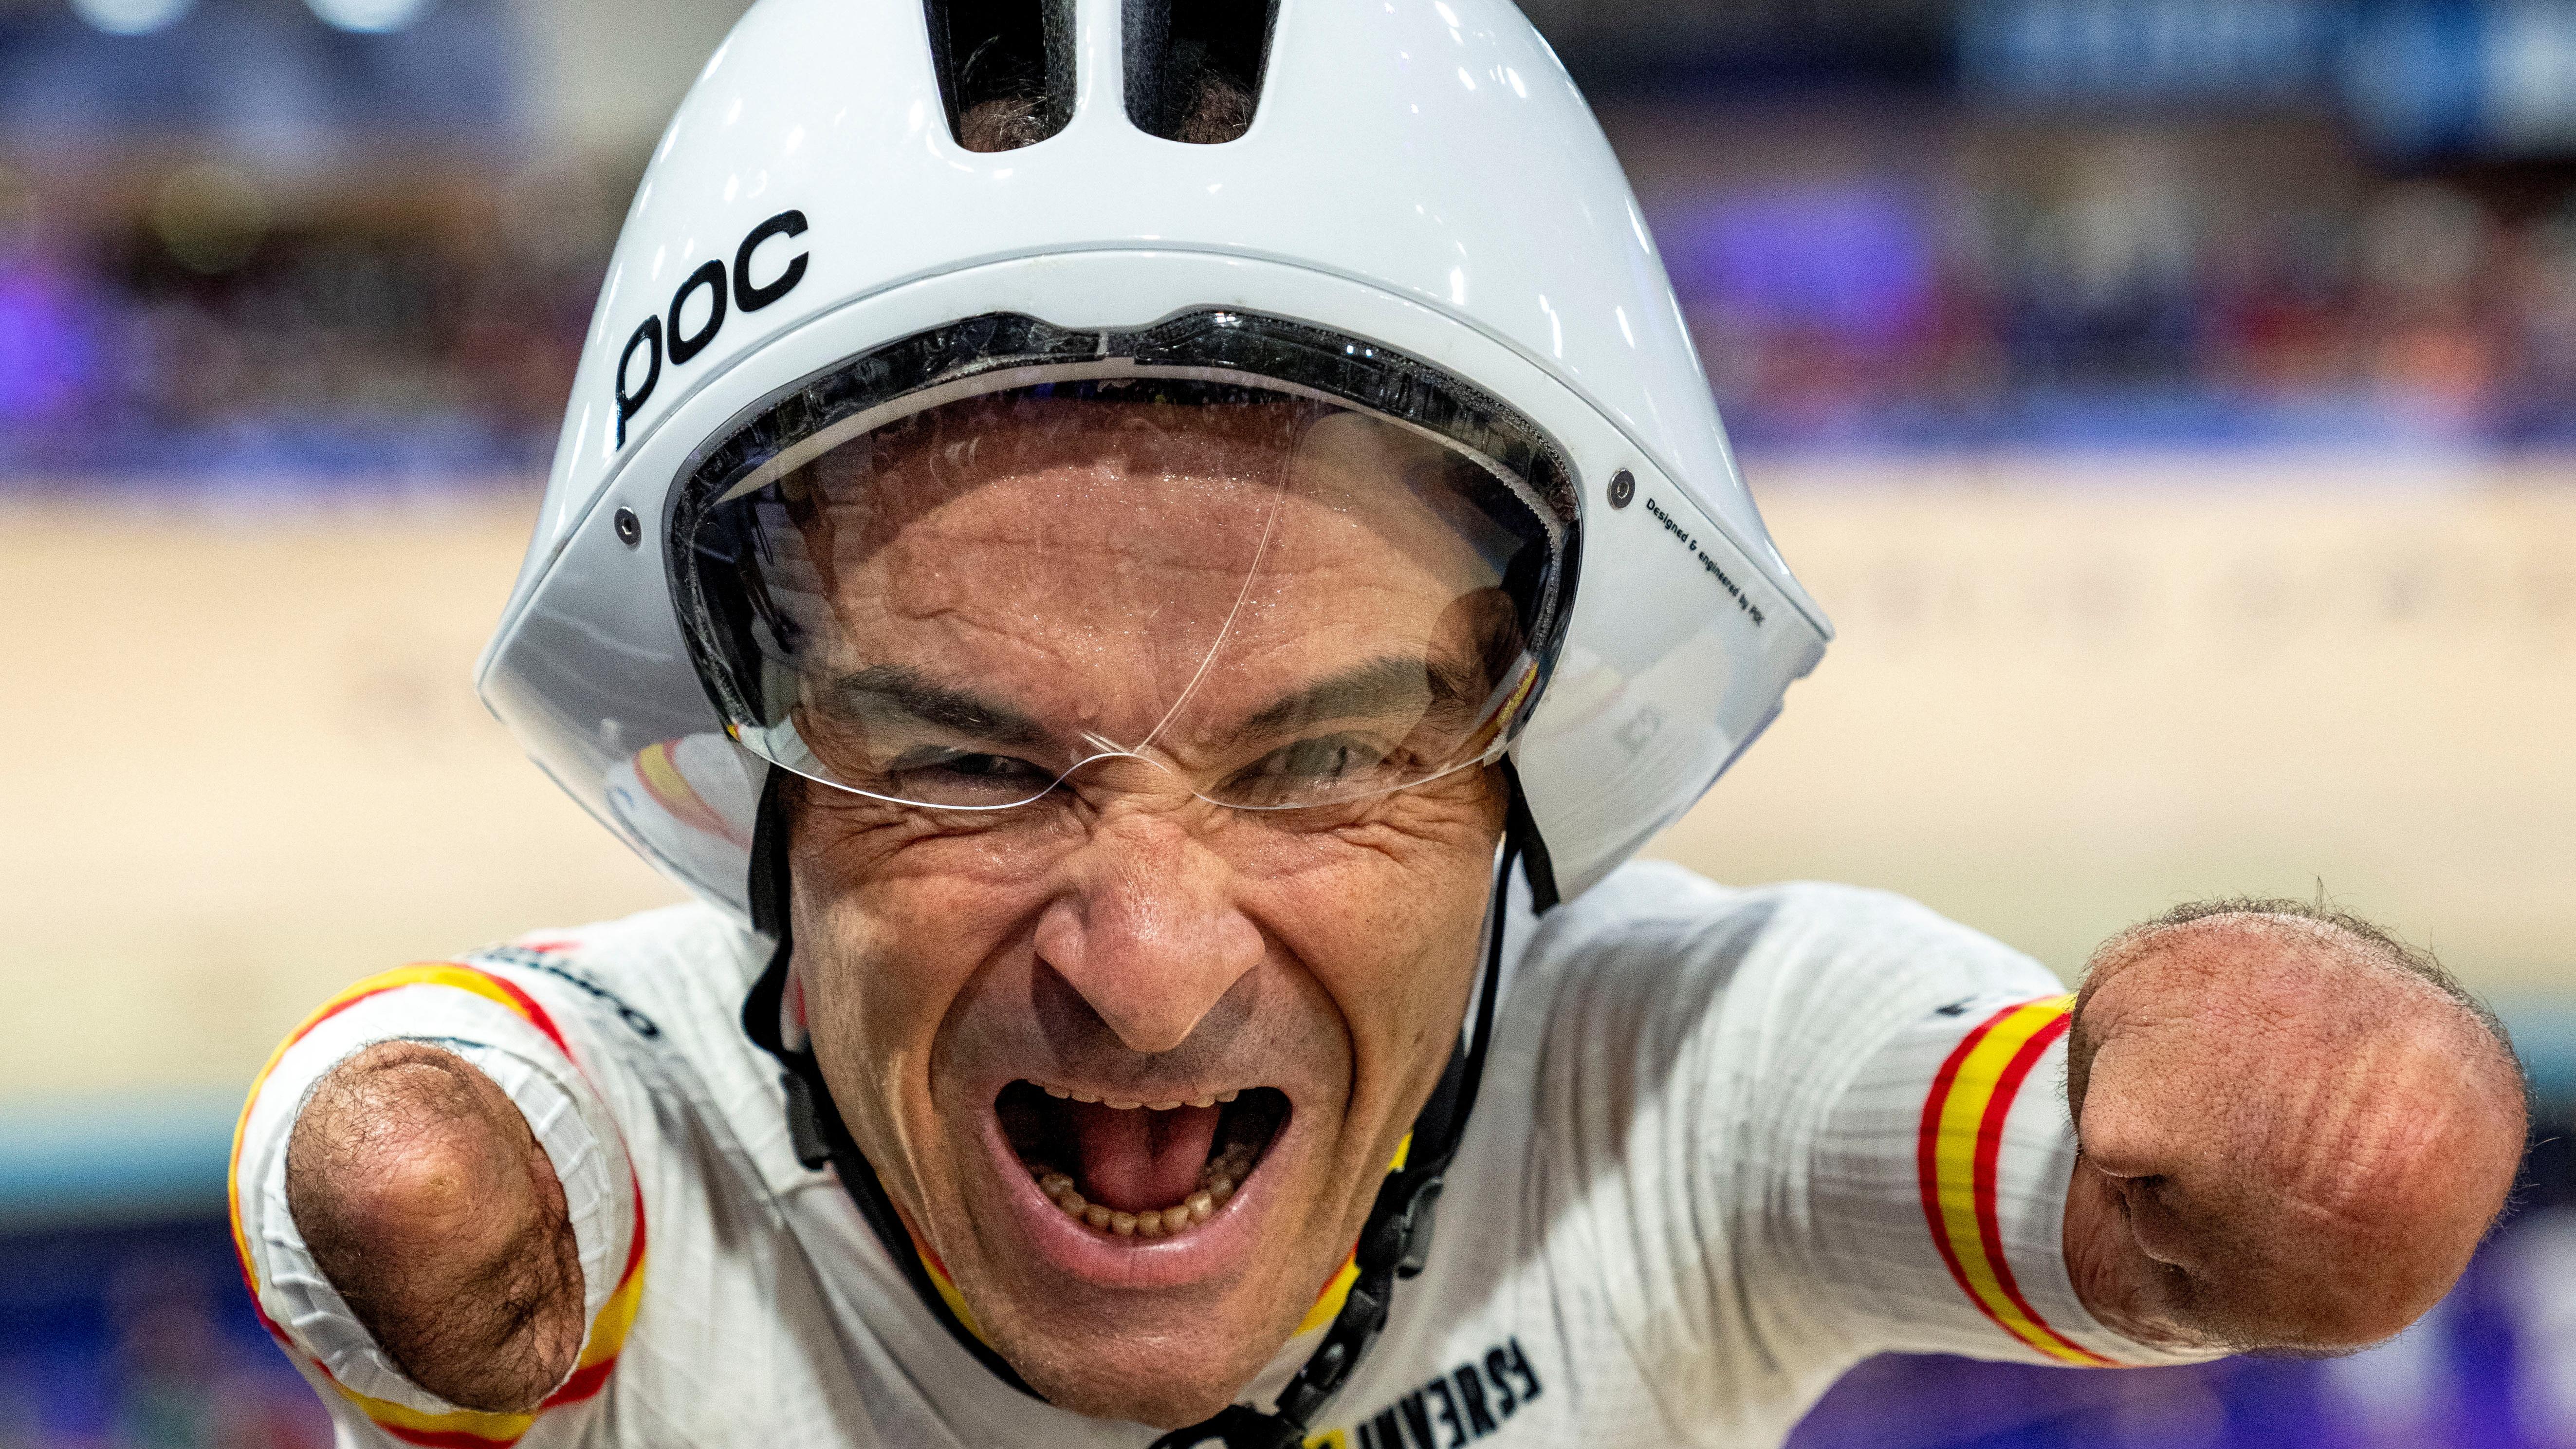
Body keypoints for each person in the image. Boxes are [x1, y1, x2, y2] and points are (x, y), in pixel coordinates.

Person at [227, 1, 2529, 1447]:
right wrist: (386, 1175)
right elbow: (457, 1123)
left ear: (1534, 759)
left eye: (1331, 756)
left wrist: (2245, 1144)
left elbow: (2063, 1154)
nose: (1146, 966)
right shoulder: (641, 1155)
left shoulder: (1678, 1094)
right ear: (756, 796)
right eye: (952, 757)